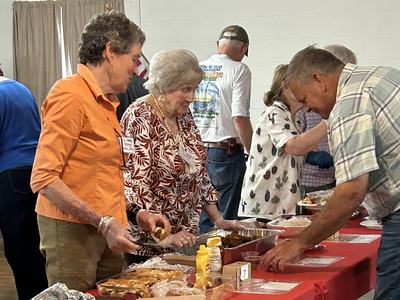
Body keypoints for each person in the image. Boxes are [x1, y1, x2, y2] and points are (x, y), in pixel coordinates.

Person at [30, 12, 170, 291]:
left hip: (107, 230)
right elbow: (44, 178)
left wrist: (135, 214)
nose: (136, 68)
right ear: (110, 52)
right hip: (74, 233)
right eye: (134, 57)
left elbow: (102, 176)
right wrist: (103, 222)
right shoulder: (70, 95)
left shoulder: (107, 102)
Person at [261, 45, 400, 300]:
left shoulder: (349, 104)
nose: (307, 110)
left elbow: (351, 191)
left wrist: (299, 243)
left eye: (305, 100)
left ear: (319, 80)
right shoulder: (381, 74)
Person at [121, 49, 244, 262]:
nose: (191, 98)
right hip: (149, 247)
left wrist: (219, 220)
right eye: (185, 89)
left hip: (184, 241)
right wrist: (165, 236)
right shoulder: (139, 117)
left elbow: (199, 174)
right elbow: (135, 189)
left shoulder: (183, 116)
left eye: (194, 89)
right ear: (164, 86)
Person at [238, 64, 328, 219]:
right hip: (264, 207)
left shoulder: (295, 119)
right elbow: (294, 146)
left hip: (284, 205)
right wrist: (328, 121)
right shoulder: (274, 113)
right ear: (285, 86)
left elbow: (302, 148)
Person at [192, 25, 253, 233]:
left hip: (198, 148)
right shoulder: (239, 70)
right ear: (243, 48)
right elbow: (239, 117)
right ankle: (222, 262)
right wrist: (252, 150)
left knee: (205, 214)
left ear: (218, 44)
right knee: (225, 221)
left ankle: (203, 261)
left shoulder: (198, 68)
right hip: (226, 151)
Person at [0, 67, 48, 299]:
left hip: (9, 175)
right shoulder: (21, 88)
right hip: (36, 170)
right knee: (35, 246)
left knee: (19, 251)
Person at [298, 44, 357, 195]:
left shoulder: (345, 103)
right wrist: (310, 156)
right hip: (308, 182)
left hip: (334, 179)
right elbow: (286, 146)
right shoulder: (303, 105)